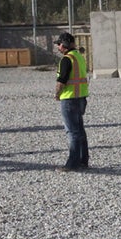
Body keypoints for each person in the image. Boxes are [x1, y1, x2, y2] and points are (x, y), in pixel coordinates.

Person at [54, 32, 89, 172]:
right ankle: (83, 160)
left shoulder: (66, 59)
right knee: (80, 130)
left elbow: (61, 80)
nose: (58, 47)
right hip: (81, 97)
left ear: (63, 45)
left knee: (72, 132)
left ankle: (72, 164)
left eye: (59, 44)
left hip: (69, 99)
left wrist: (56, 94)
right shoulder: (79, 57)